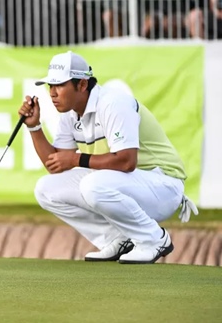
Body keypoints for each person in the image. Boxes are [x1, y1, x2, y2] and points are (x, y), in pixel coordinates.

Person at [18, 51, 198, 264]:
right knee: (46, 189)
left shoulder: (113, 103)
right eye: (50, 86)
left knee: (93, 184)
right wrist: (34, 127)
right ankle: (118, 238)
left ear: (82, 85)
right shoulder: (70, 114)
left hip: (163, 185)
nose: (52, 93)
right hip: (127, 186)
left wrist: (75, 159)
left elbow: (126, 161)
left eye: (60, 85)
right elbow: (56, 165)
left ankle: (154, 239)